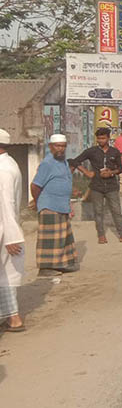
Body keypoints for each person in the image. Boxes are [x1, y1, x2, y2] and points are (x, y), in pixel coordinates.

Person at [70, 128, 122, 245]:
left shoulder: (114, 152)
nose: (101, 141)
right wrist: (87, 172)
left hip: (111, 186)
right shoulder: (91, 151)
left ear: (108, 138)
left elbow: (120, 169)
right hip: (96, 186)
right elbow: (74, 161)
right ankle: (101, 235)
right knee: (98, 211)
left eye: (103, 138)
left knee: (116, 211)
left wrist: (111, 173)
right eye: (99, 138)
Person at [30, 134, 79, 277]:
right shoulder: (47, 163)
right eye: (57, 146)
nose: (61, 149)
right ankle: (45, 268)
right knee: (49, 239)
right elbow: (35, 185)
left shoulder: (63, 162)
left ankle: (59, 264)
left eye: (63, 146)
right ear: (50, 147)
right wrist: (38, 201)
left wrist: (69, 202)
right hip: (49, 206)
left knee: (61, 237)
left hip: (62, 205)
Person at [0, 129, 25, 331]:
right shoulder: (9, 163)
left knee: (5, 274)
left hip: (4, 229)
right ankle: (11, 317)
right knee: (6, 273)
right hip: (7, 227)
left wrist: (11, 236)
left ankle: (14, 318)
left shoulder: (3, 170)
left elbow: (7, 203)